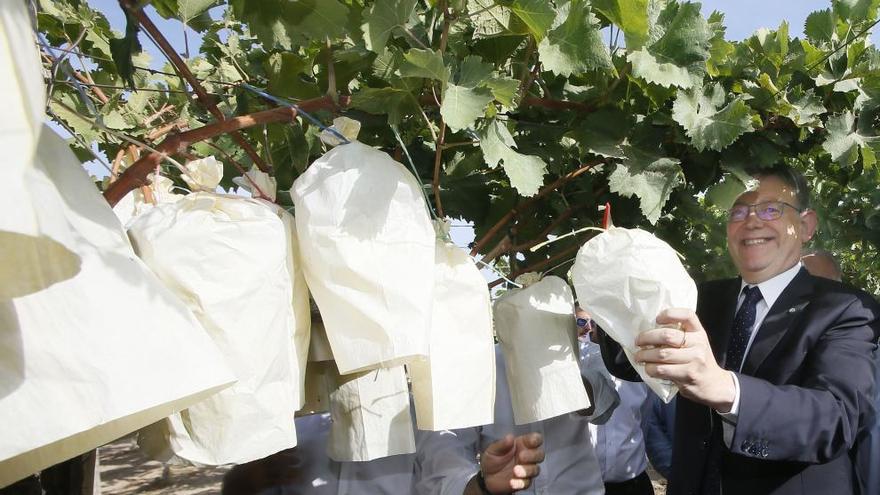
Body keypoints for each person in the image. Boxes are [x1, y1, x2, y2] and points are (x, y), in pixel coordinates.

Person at [598, 164, 880, 494]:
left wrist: (728, 390)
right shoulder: (698, 297)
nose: (751, 221)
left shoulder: (844, 309)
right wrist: (614, 290)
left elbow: (835, 419)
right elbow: (629, 364)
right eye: (738, 211)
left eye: (771, 209)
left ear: (805, 226)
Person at [415, 317, 620, 495]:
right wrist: (482, 486)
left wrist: (556, 369)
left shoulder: (583, 354)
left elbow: (603, 405)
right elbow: (445, 460)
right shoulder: (481, 367)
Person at [578, 309, 654, 495]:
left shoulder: (638, 365)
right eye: (583, 321)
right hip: (582, 487)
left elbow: (645, 419)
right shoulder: (574, 360)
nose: (592, 326)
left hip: (632, 484)